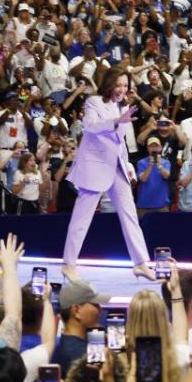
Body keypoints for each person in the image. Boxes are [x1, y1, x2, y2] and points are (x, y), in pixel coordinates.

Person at [62, 66, 154, 281]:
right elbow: (91, 126)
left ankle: (141, 263)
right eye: (118, 85)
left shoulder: (121, 107)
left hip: (117, 168)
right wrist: (115, 122)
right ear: (109, 84)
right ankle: (68, 264)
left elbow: (120, 143)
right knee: (81, 218)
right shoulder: (95, 102)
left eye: (125, 85)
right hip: (95, 167)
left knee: (130, 215)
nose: (122, 89)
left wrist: (128, 166)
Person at [53, 280, 110, 374]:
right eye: (95, 304)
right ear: (76, 311)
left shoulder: (67, 344)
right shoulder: (79, 356)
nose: (100, 309)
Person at [135, 136, 172, 214]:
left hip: (161, 205)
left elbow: (166, 176)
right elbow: (143, 179)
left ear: (160, 148)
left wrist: (159, 165)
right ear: (147, 148)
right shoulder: (141, 162)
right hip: (144, 205)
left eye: (156, 146)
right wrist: (150, 165)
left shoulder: (166, 162)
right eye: (151, 146)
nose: (154, 148)